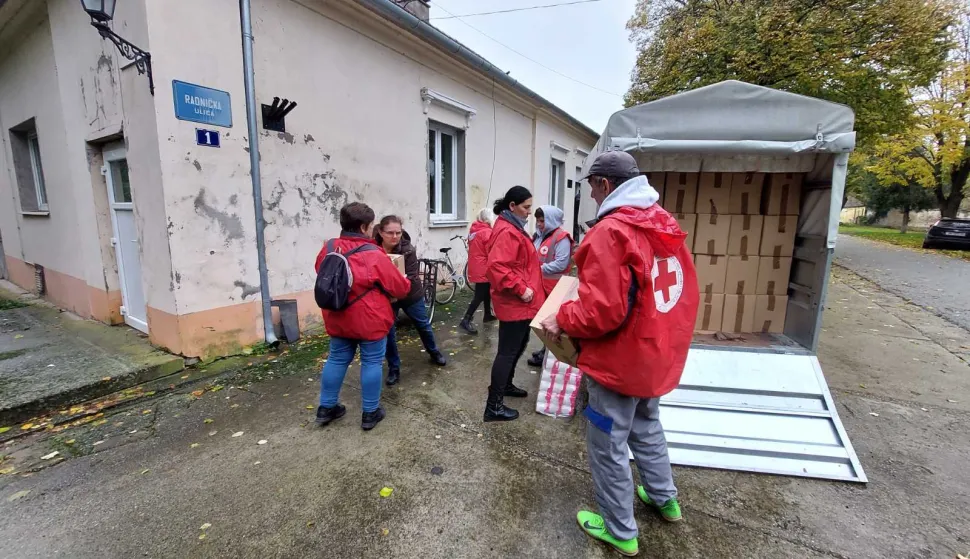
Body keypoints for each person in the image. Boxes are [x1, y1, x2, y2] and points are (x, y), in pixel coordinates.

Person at [540, 151, 698, 556]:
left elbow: (600, 312)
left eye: (591, 187)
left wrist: (563, 317)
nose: (591, 196)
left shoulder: (612, 231)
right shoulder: (663, 222)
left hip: (619, 363)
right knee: (647, 426)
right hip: (654, 353)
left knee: (607, 443)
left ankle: (620, 530)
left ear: (604, 185)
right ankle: (665, 500)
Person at [314, 202, 412, 431]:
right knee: (371, 362)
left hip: (338, 315)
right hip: (370, 319)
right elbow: (399, 288)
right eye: (370, 226)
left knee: (336, 359)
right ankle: (370, 413)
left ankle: (326, 408)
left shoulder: (328, 248)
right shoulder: (373, 254)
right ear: (363, 227)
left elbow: (322, 271)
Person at [482, 186, 546, 422]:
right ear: (512, 206)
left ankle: (506, 385)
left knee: (519, 345)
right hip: (515, 303)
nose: (529, 212)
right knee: (507, 352)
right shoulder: (507, 231)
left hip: (521, 304)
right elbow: (497, 267)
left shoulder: (513, 227)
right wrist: (522, 289)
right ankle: (494, 406)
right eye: (526, 207)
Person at [374, 215, 447, 386]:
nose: (395, 237)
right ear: (380, 232)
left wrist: (397, 292)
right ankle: (394, 367)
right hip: (386, 297)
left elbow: (413, 277)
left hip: (410, 294)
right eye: (390, 233)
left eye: (398, 232)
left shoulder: (407, 249)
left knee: (422, 324)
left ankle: (434, 351)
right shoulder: (373, 249)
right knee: (389, 332)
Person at [526, 205, 573, 367]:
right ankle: (545, 351)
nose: (538, 224)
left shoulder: (562, 238)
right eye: (537, 221)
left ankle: (550, 354)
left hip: (555, 288)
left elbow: (561, 263)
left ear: (551, 220)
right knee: (543, 322)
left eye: (541, 221)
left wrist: (536, 270)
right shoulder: (539, 235)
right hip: (541, 285)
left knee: (551, 322)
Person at [459, 209, 497, 334]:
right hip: (484, 268)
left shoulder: (474, 231)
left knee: (485, 291)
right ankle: (466, 319)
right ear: (488, 219)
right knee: (480, 295)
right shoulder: (487, 232)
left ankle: (487, 314)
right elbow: (490, 252)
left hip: (475, 266)